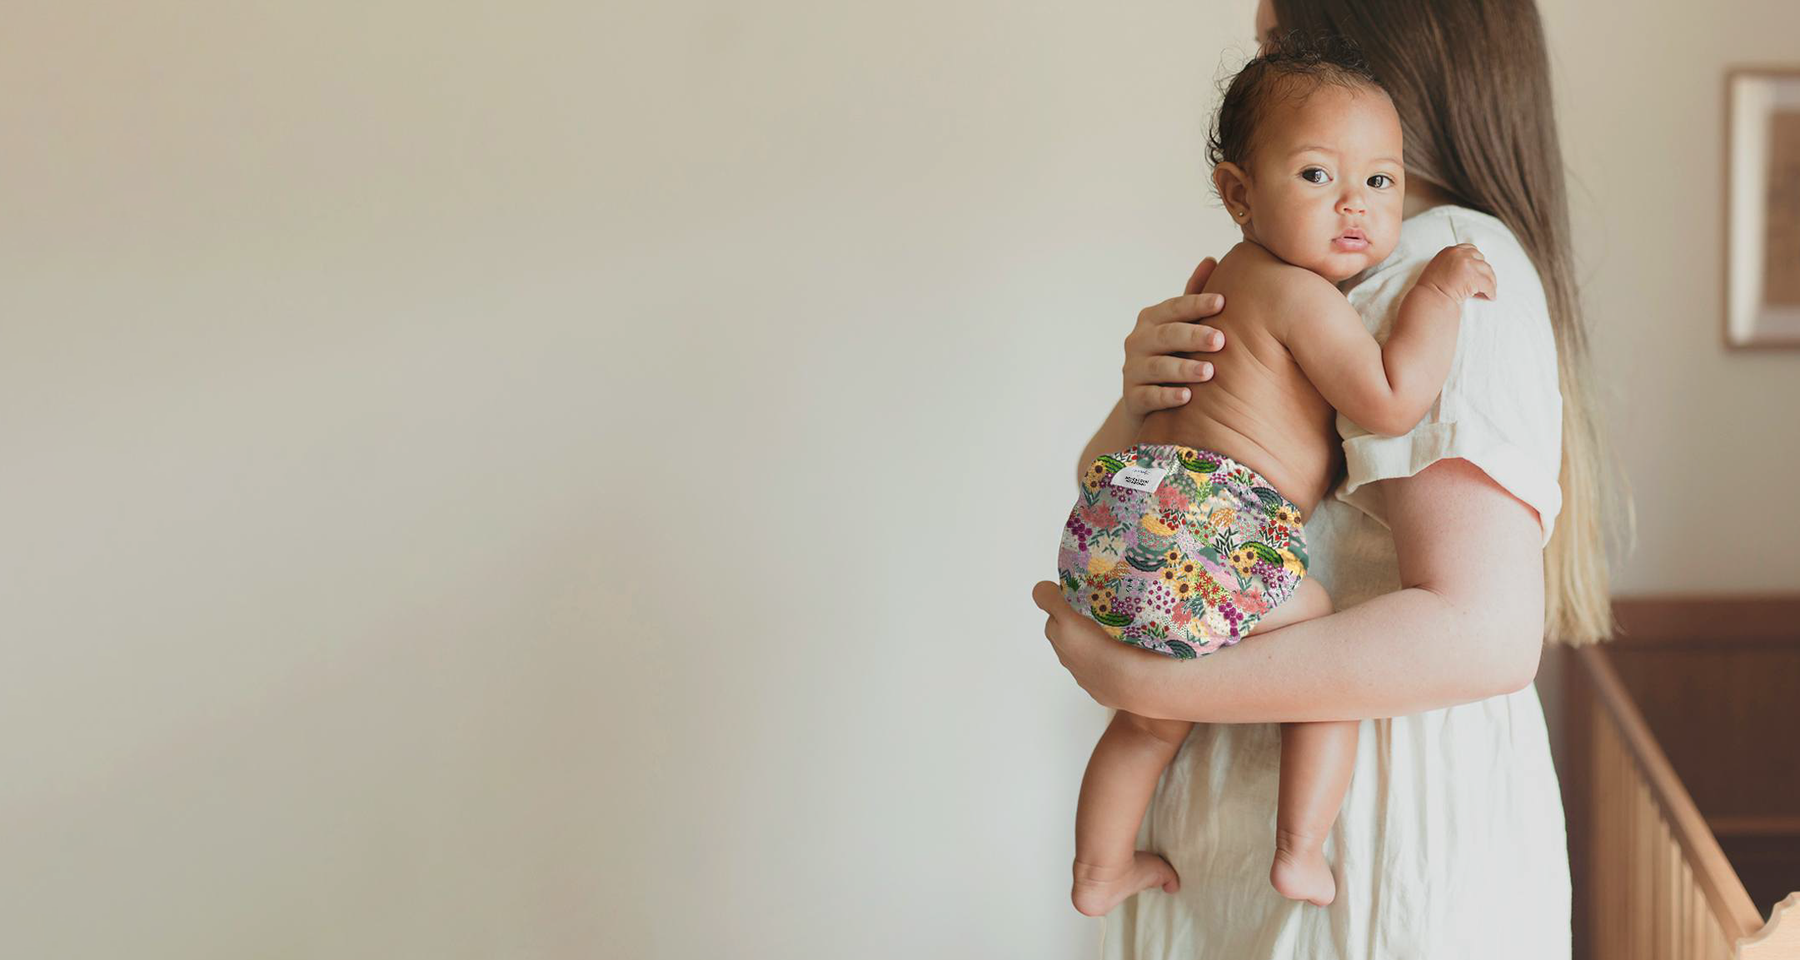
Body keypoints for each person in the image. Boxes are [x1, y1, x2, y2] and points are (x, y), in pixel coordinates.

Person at [1030, 0, 1621, 955]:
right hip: (1273, 861)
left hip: (1368, 872)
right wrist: (1141, 398)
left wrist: (1145, 680)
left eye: (1283, 47)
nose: (1260, 73)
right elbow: (1125, 476)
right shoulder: (1306, 269)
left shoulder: (1442, 263)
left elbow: (1482, 635)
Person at [1059, 33, 1496, 917]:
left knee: (1148, 721)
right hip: (1205, 526)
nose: (1357, 208)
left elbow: (1111, 451)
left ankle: (1100, 870)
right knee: (1320, 648)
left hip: (1116, 516)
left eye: (1381, 181)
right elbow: (1389, 399)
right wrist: (1439, 297)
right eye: (1315, 176)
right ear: (1238, 193)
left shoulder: (1223, 282)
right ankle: (1299, 851)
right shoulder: (1299, 294)